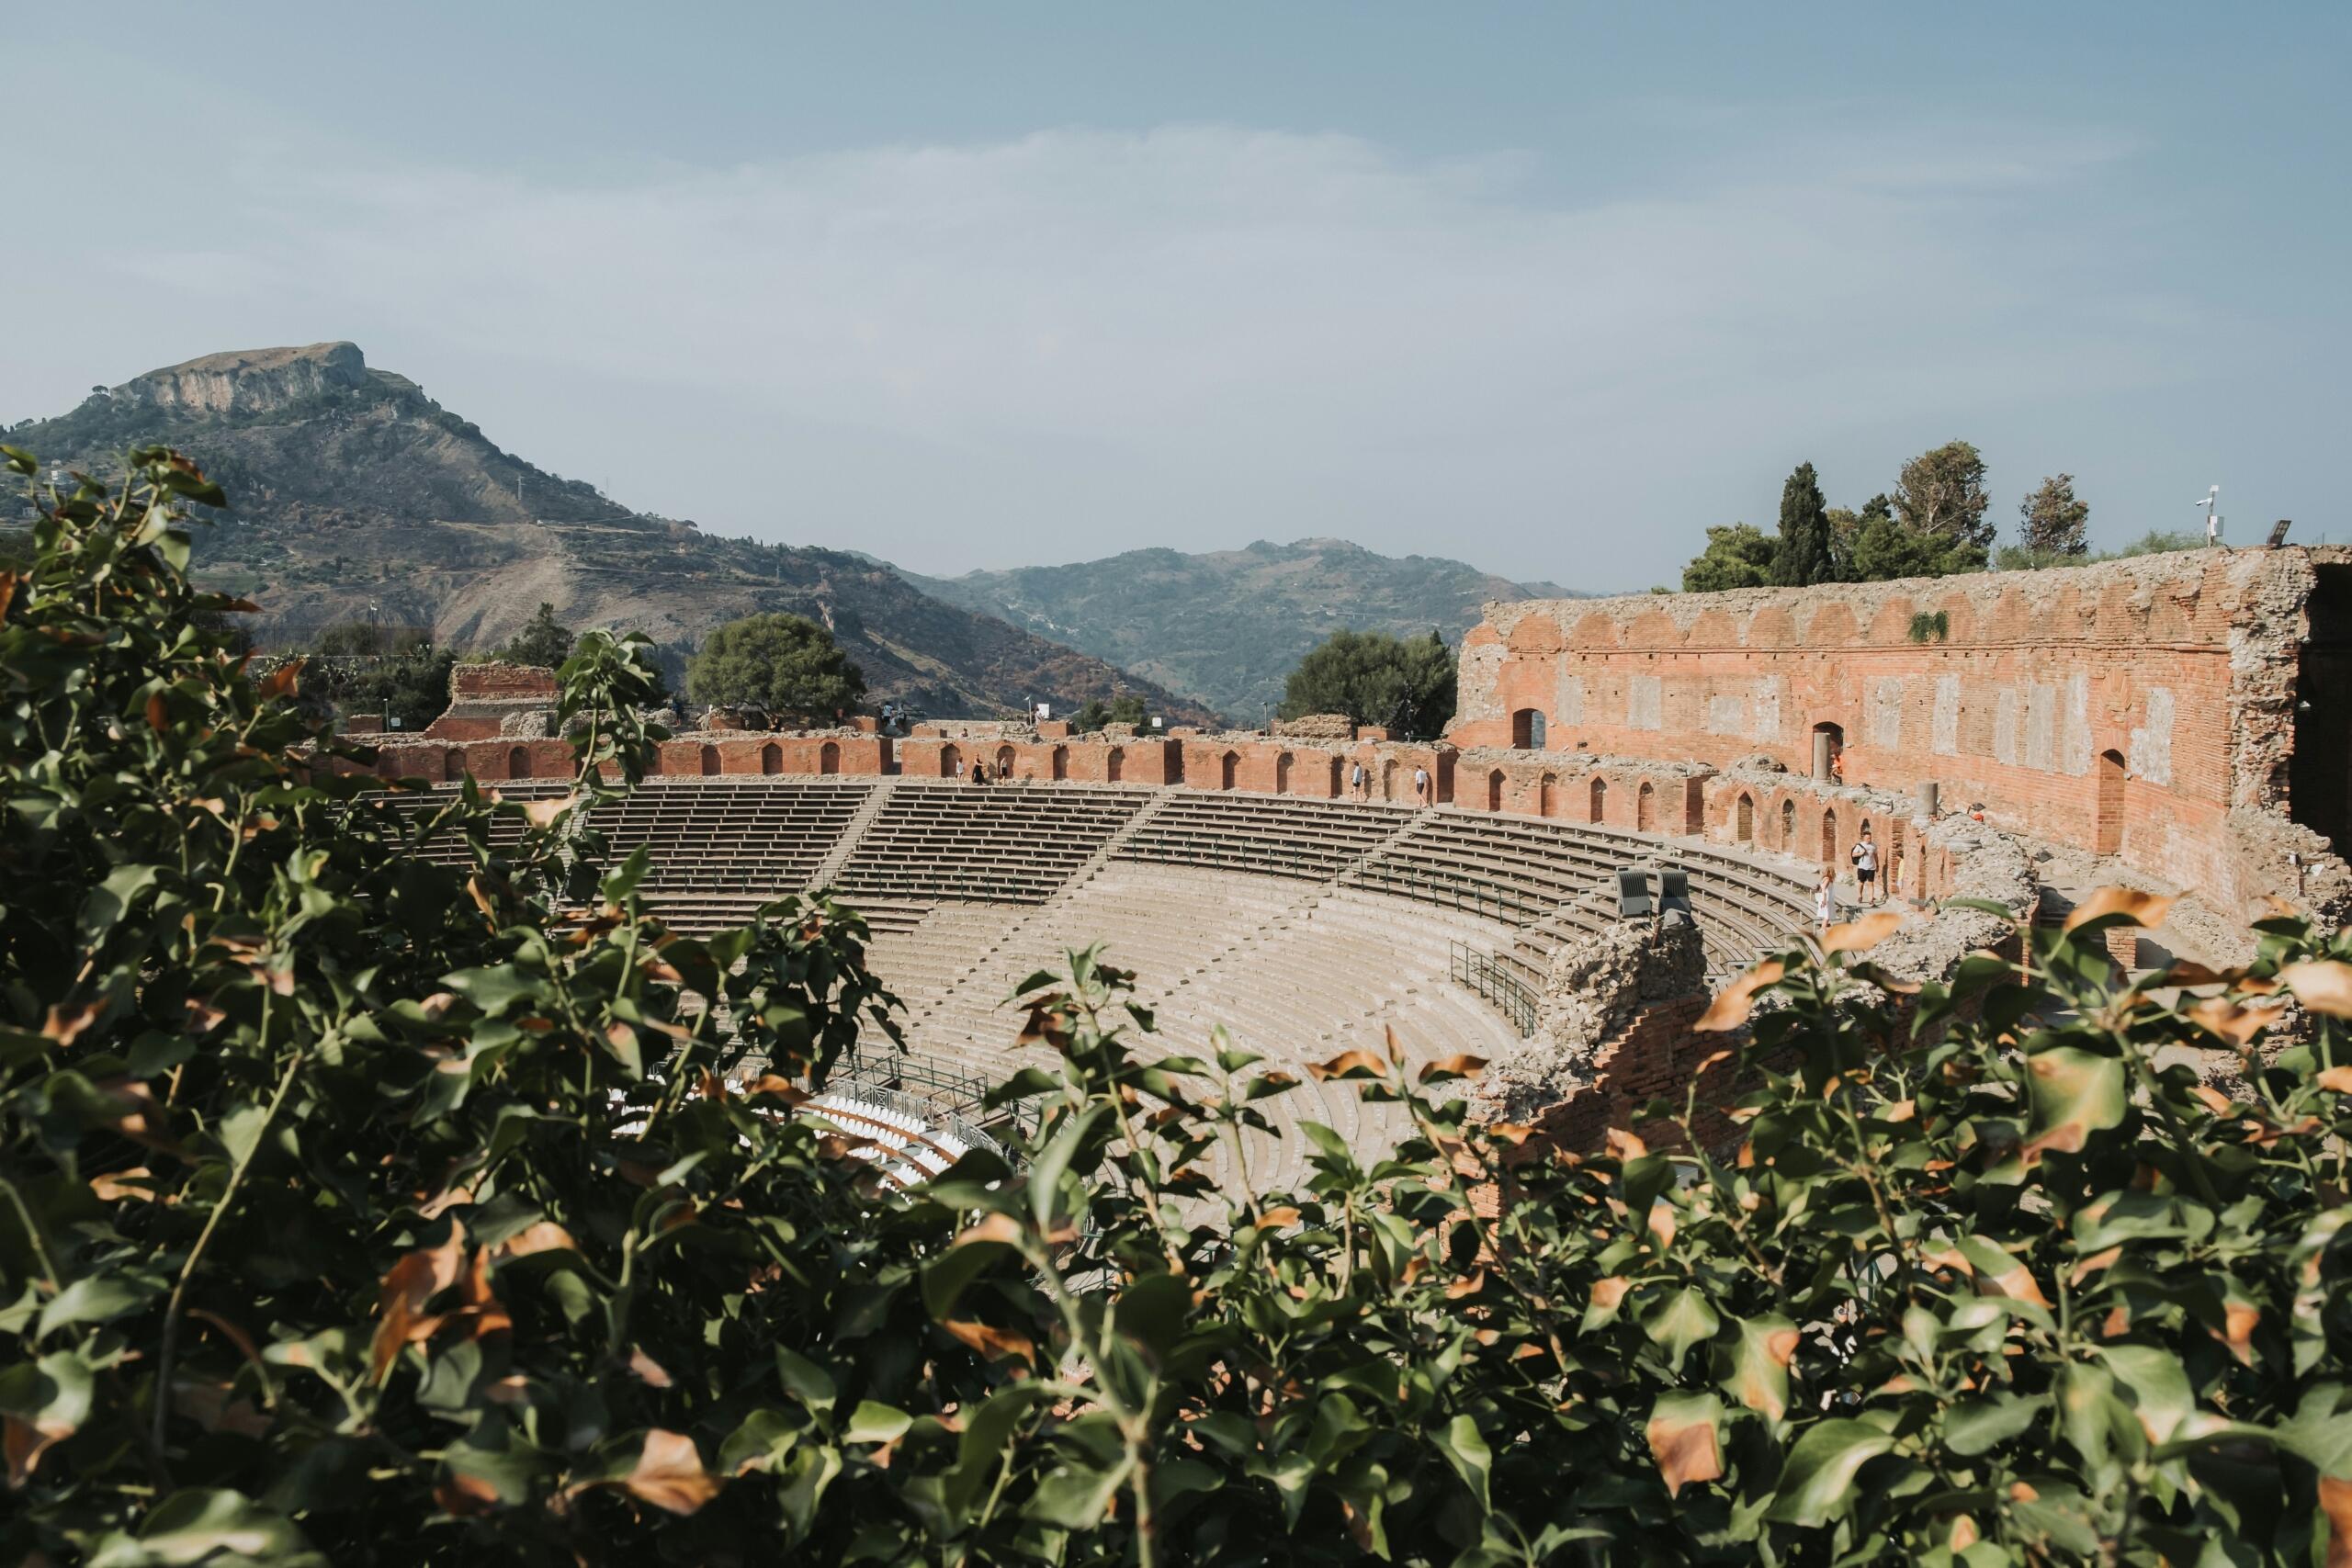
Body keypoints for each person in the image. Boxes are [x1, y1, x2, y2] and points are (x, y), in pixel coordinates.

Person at [1849, 823, 1879, 906]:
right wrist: (1861, 853)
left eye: (1870, 838)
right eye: (1867, 838)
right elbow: (1853, 854)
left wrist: (1877, 865)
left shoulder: (1874, 846)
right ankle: (1860, 895)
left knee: (1871, 883)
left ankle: (1871, 899)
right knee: (1861, 883)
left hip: (1871, 867)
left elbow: (1876, 856)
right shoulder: (1860, 845)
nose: (1869, 839)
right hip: (1862, 867)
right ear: (1864, 838)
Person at [1815, 865, 1837, 929]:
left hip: (1827, 898)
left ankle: (1823, 929)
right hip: (1827, 899)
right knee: (1827, 916)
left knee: (1826, 915)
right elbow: (1824, 889)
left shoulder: (1825, 878)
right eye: (1833, 872)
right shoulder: (1827, 879)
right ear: (1831, 872)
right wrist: (1824, 900)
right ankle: (1823, 929)